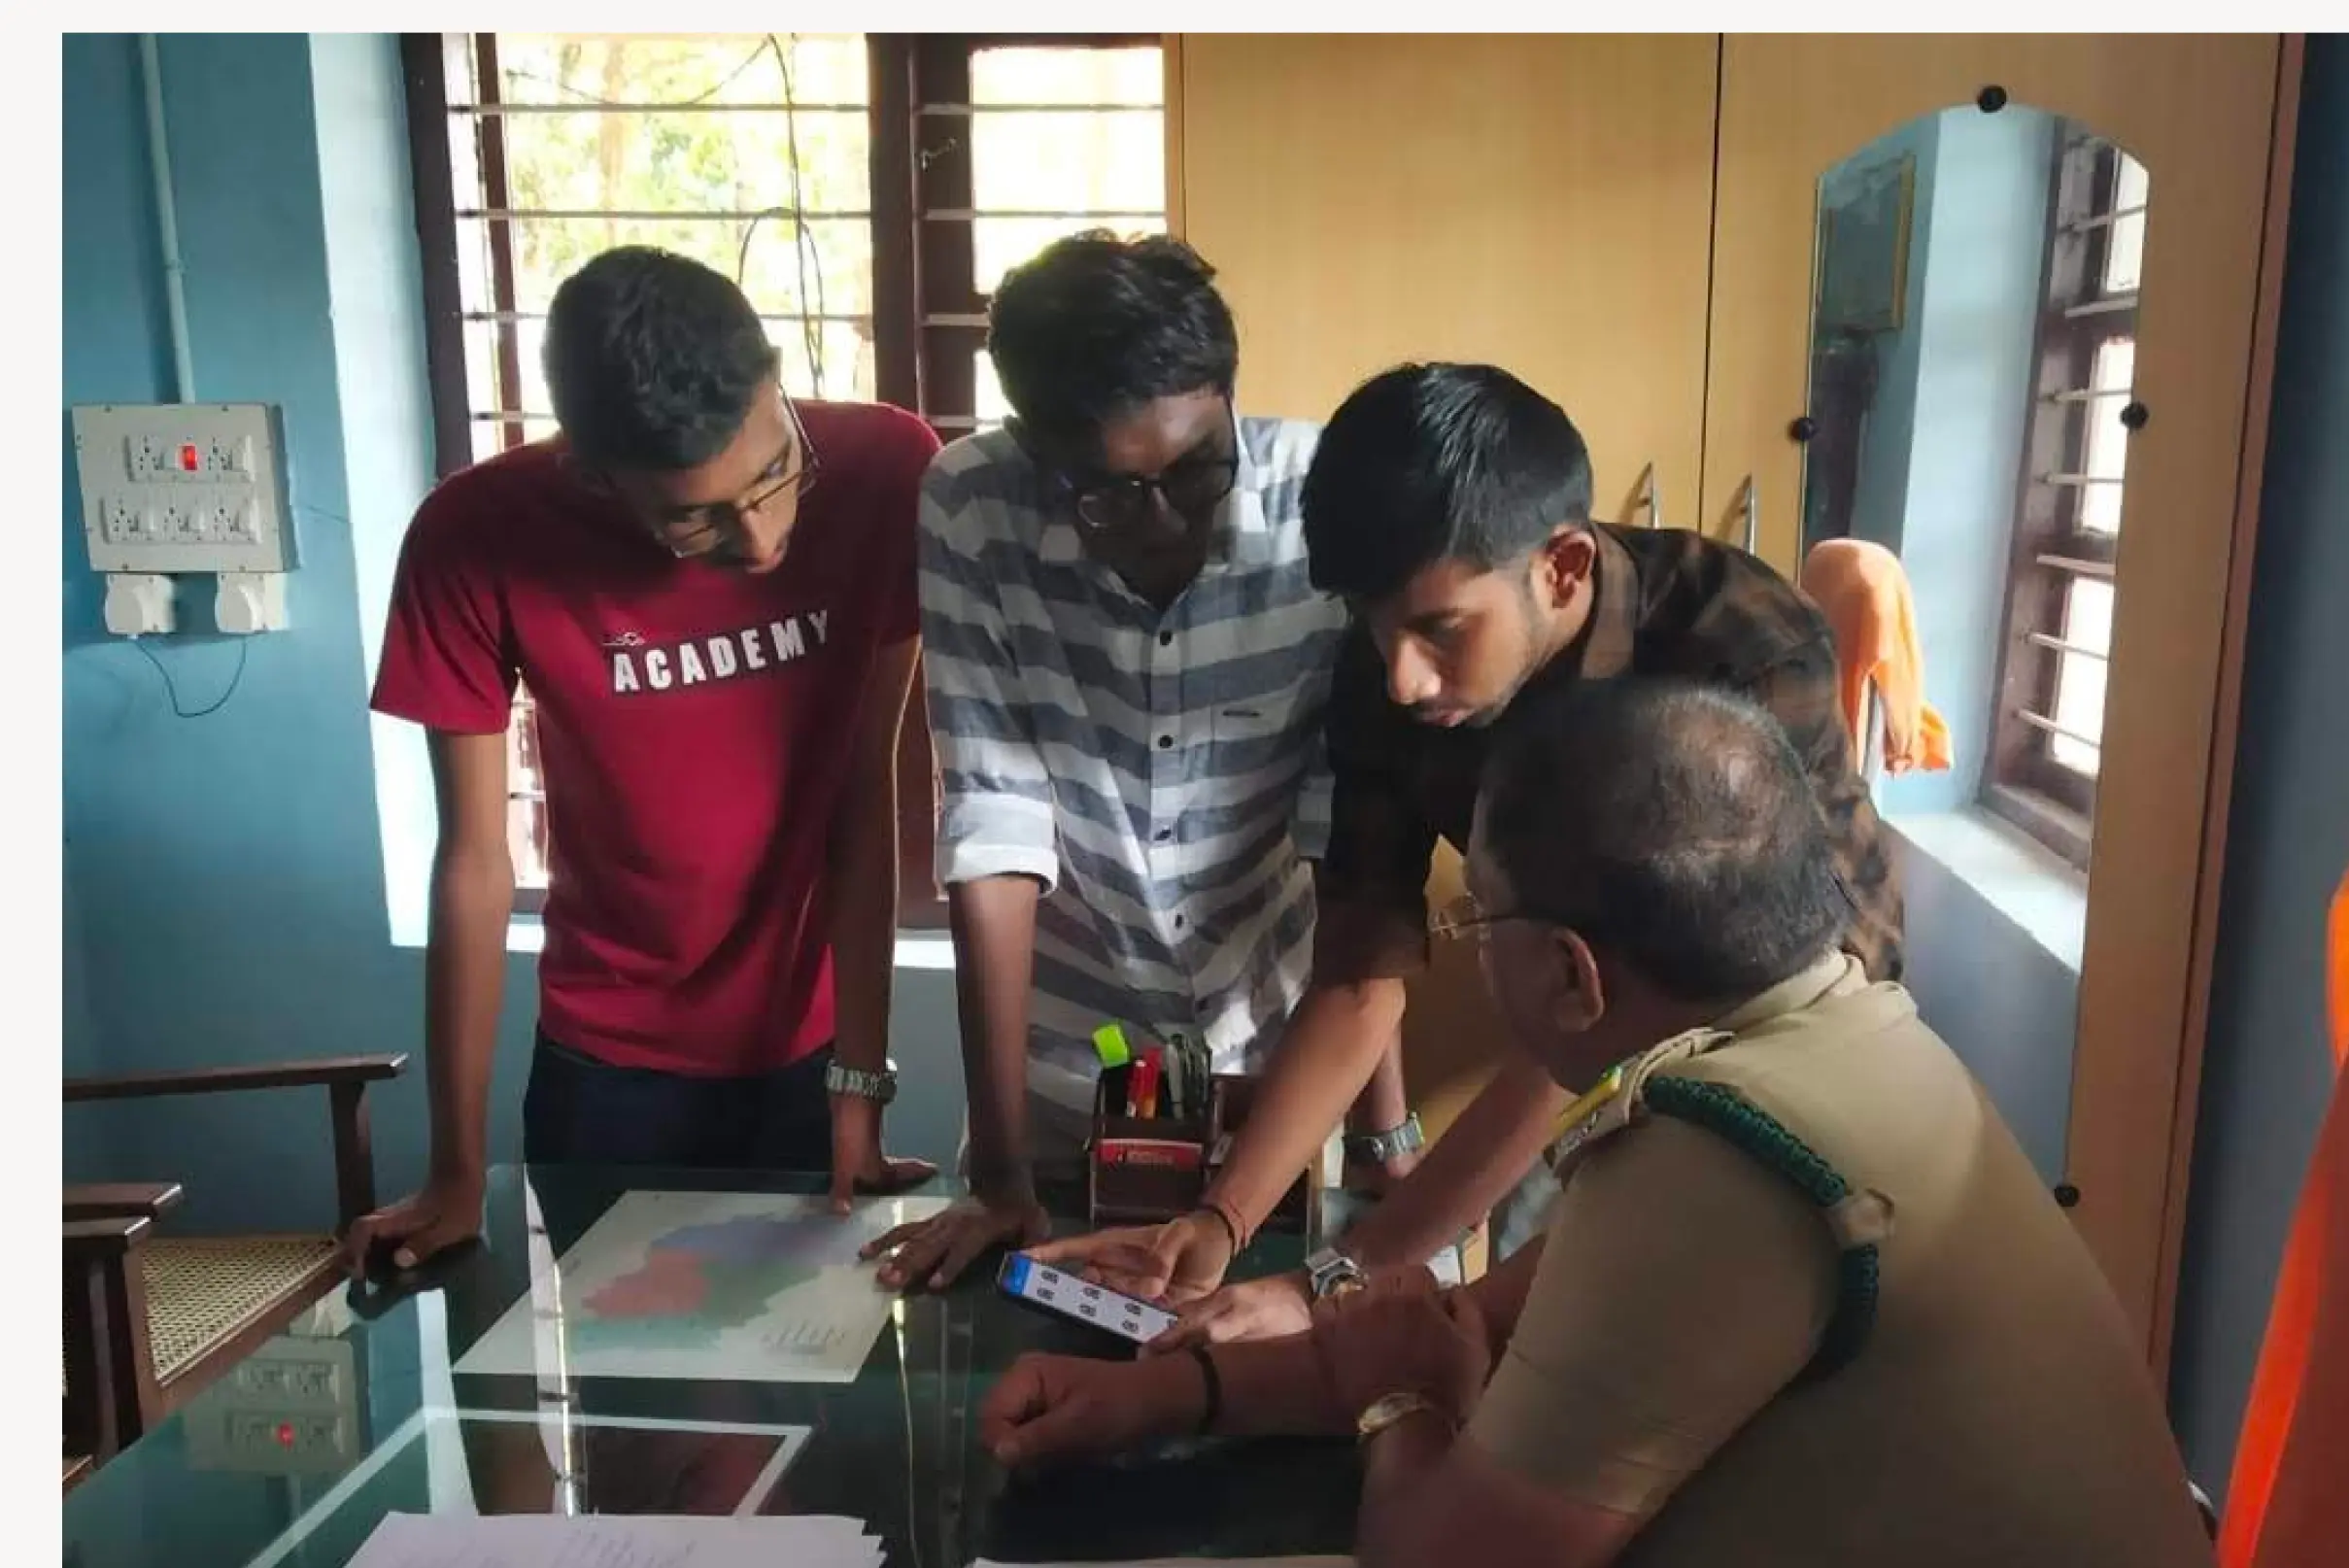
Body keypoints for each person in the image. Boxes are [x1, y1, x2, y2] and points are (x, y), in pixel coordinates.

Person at [974, 677, 2310, 1568]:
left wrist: (1402, 1409)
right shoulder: (1826, 1039)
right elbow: (1477, 1320)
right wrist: (1169, 1391)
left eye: (1472, 921)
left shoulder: (1723, 1154)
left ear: (1569, 973)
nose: (1468, 951)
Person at [1033, 362, 1898, 1326]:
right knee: (1488, 1322)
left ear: (1562, 567)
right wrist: (1222, 1218)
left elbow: (1626, 1017)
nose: (1403, 678)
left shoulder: (1735, 651)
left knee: (1582, 1322)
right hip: (1596, 1030)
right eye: (1377, 628)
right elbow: (1362, 974)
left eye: (1442, 630)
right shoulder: (1387, 675)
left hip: (1791, 1039)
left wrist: (1334, 1278)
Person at [353, 246, 936, 1267]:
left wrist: (860, 1086)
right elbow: (476, 862)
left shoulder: (890, 471)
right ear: (590, 470)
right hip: (605, 1068)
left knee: (812, 1400)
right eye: (693, 519)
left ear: (778, 381)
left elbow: (863, 790)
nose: (759, 541)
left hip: (805, 1051)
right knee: (633, 1413)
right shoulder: (475, 534)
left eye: (774, 472)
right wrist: (454, 1169)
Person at [863, 232, 1407, 1292]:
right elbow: (993, 824)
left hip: (1280, 1084)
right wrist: (1002, 1172)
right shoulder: (974, 506)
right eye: (1112, 494)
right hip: (1067, 1080)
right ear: (1037, 450)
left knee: (1250, 1375)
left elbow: (1356, 842)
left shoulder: (1322, 506)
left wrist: (1385, 1136)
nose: (1166, 526)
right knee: (1042, 1383)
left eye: (1197, 471)